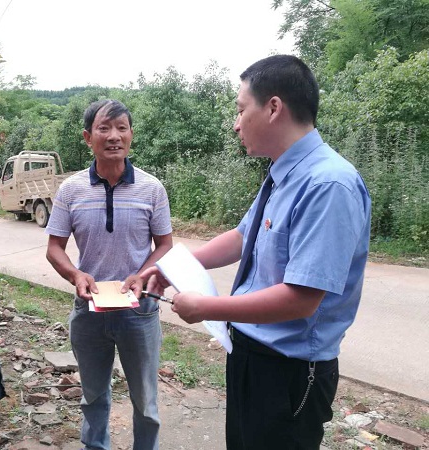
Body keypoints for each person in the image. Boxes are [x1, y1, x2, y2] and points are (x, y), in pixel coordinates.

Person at [143, 55, 372, 449]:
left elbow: (301, 299)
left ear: (273, 108)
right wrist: (173, 268)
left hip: (289, 372)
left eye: (240, 109)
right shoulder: (283, 174)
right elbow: (241, 237)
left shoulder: (328, 185)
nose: (236, 124)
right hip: (251, 354)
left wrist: (206, 307)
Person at [45, 99, 173, 450]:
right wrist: (76, 275)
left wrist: (142, 274)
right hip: (89, 311)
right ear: (88, 137)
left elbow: (165, 245)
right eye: (104, 128)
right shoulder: (71, 189)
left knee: (145, 402)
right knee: (93, 397)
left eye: (121, 128)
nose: (114, 136)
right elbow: (54, 248)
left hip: (139, 313)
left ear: (131, 134)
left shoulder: (152, 188)